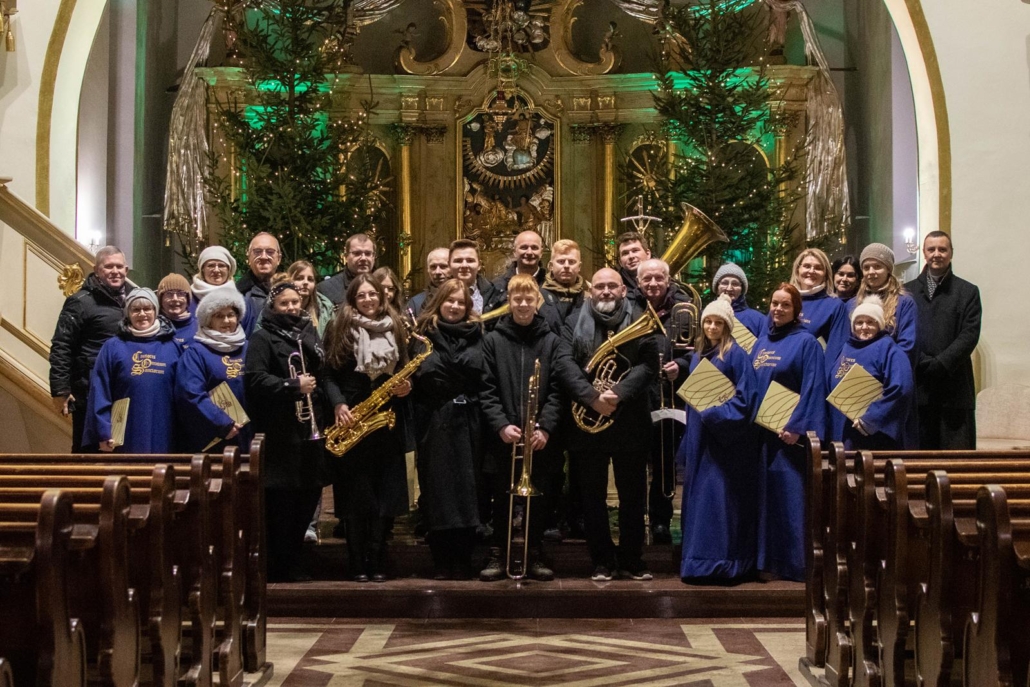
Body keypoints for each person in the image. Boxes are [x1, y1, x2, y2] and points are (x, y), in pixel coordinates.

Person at [556, 268, 660, 581]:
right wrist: (592, 397)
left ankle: (632, 558)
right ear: (591, 291)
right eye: (599, 286)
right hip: (588, 421)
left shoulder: (640, 318)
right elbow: (564, 362)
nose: (605, 291)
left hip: (630, 420)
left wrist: (619, 393)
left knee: (633, 496)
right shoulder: (574, 321)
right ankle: (601, 559)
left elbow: (648, 364)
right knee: (592, 496)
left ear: (623, 290)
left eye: (612, 286)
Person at [323, 275, 412, 582]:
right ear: (352, 299)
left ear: (381, 296)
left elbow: (405, 369)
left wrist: (406, 387)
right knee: (355, 495)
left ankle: (377, 559)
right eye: (361, 295)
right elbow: (328, 375)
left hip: (386, 419)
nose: (368, 300)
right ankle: (356, 562)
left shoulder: (396, 325)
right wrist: (338, 404)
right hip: (351, 418)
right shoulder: (339, 327)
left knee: (384, 494)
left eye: (373, 294)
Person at [478, 275, 563, 582]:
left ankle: (534, 552)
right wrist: (501, 424)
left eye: (529, 299)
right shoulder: (493, 340)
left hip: (539, 437)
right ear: (509, 302)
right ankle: (498, 552)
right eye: (518, 299)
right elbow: (486, 388)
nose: (523, 304)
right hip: (504, 435)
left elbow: (557, 390)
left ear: (537, 301)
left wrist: (546, 427)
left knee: (538, 498)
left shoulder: (551, 341)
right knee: (502, 497)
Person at [245, 277, 327, 582]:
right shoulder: (262, 337)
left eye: (295, 302)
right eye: (284, 303)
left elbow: (323, 375)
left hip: (310, 431)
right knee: (281, 502)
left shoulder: (310, 334)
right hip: (280, 432)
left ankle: (294, 559)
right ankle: (278, 565)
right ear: (273, 306)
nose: (291, 307)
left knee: (307, 496)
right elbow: (254, 379)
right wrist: (292, 385)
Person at [677, 295, 760, 582]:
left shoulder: (736, 355)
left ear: (727, 326)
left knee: (719, 500)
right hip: (700, 437)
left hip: (723, 442)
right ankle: (696, 562)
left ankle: (723, 563)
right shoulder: (699, 354)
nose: (712, 327)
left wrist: (714, 415)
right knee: (698, 500)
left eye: (718, 323)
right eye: (708, 322)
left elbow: (747, 399)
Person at [411, 278, 489, 579]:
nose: (455, 306)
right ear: (438, 302)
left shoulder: (479, 333)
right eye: (450, 300)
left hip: (470, 420)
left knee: (469, 489)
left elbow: (483, 375)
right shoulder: (421, 334)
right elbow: (420, 375)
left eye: (460, 302)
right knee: (438, 489)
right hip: (434, 420)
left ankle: (465, 557)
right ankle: (441, 559)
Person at [751, 283, 827, 581]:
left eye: (785, 305)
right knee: (764, 500)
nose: (778, 309)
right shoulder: (761, 342)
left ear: (796, 310)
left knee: (789, 499)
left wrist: (797, 427)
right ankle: (765, 561)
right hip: (762, 435)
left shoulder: (806, 343)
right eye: (775, 303)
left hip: (788, 437)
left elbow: (813, 387)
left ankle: (794, 565)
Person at [904, 231, 982, 449]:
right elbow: (901, 332)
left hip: (955, 388)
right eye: (931, 249)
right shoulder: (907, 291)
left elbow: (970, 334)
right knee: (919, 460)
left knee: (957, 460)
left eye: (942, 249)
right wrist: (921, 360)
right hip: (919, 385)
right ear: (924, 253)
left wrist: (941, 363)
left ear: (951, 253)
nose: (936, 254)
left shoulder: (968, 291)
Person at [49, 246, 130, 451]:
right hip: (89, 392)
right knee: (89, 452)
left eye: (119, 266)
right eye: (108, 266)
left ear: (126, 270)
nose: (115, 271)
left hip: (121, 389)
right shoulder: (80, 302)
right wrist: (60, 389)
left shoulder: (132, 300)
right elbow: (62, 345)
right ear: (96, 270)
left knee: (120, 452)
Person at [83, 288, 182, 453]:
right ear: (128, 313)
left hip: (165, 429)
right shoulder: (112, 347)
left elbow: (184, 392)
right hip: (124, 433)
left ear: (156, 311)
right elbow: (100, 390)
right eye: (136, 309)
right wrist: (103, 431)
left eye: (147, 309)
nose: (142, 314)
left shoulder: (172, 345)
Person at [637, 258, 693, 545]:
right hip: (637, 395)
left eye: (659, 278)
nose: (653, 283)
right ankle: (635, 518)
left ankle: (661, 519)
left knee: (664, 461)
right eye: (647, 279)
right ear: (638, 283)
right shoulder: (630, 308)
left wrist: (681, 365)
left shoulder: (683, 310)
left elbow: (698, 347)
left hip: (670, 395)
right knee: (635, 461)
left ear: (668, 281)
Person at [827, 296, 915, 450]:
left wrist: (872, 419)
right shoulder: (846, 347)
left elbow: (901, 388)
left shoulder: (889, 350)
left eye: (870, 322)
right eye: (859, 322)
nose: (864, 327)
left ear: (879, 324)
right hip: (841, 430)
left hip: (871, 435)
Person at [174, 284, 251, 453]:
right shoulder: (196, 353)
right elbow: (190, 394)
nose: (226, 321)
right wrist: (222, 423)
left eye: (230, 315)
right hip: (219, 436)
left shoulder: (249, 348)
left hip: (251, 435)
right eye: (219, 316)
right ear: (208, 320)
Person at [853, 243, 917, 367]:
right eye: (866, 267)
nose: (871, 272)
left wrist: (884, 368)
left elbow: (907, 345)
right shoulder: (853, 303)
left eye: (877, 266)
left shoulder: (904, 303)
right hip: (858, 371)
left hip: (890, 370)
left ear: (888, 269)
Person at [789, 247, 849, 364]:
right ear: (797, 270)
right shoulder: (784, 301)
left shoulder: (834, 306)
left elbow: (836, 353)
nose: (811, 271)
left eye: (818, 268)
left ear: (825, 274)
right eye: (807, 266)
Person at [237, 232, 282, 335]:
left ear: (279, 258)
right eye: (257, 251)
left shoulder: (291, 293)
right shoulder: (237, 295)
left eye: (270, 252)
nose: (263, 257)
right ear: (249, 258)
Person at [540, 239, 586, 332]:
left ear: (579, 267)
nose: (566, 266)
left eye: (571, 262)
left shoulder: (589, 298)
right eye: (561, 261)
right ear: (551, 266)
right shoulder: (538, 297)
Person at [448, 239, 503, 316]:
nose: (464, 265)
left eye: (470, 260)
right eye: (458, 261)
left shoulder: (494, 294)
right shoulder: (437, 295)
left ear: (479, 265)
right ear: (449, 265)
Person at [317, 233, 377, 306]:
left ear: (374, 256)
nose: (363, 258)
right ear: (346, 256)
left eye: (368, 253)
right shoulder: (326, 289)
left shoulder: (383, 286)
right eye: (357, 253)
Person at [712, 262, 765, 336]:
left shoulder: (758, 320)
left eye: (735, 284)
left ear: (742, 289)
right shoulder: (704, 316)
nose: (729, 288)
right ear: (717, 288)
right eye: (725, 283)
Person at [287, 260, 336, 337]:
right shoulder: (278, 307)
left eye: (310, 279)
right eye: (299, 278)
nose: (305, 282)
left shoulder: (325, 309)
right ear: (288, 281)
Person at [491, 230, 546, 298]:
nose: (529, 252)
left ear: (541, 252)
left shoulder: (550, 286)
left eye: (534, 248)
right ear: (514, 252)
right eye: (524, 247)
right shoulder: (497, 286)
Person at [406, 248, 450, 318]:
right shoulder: (416, 302)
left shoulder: (465, 297)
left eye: (443, 266)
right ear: (428, 270)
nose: (437, 272)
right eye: (433, 267)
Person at [157, 273, 197, 348]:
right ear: (161, 300)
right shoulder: (153, 327)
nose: (175, 299)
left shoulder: (199, 328)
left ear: (187, 299)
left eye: (180, 294)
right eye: (169, 294)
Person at [615, 231, 651, 305]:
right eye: (625, 253)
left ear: (647, 254)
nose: (631, 256)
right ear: (620, 261)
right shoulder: (614, 287)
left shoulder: (664, 283)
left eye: (635, 251)